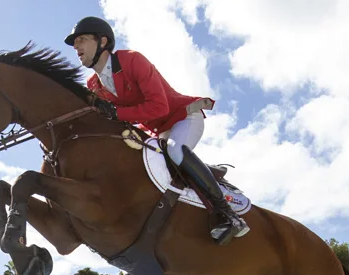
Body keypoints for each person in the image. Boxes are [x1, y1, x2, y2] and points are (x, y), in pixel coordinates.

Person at [65, 16, 248, 245]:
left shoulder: (132, 60)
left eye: (81, 39)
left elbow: (158, 107)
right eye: (75, 42)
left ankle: (228, 215)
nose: (76, 46)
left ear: (102, 41)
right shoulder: (94, 85)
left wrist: (116, 114)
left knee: (176, 151)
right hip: (158, 132)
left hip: (183, 116)